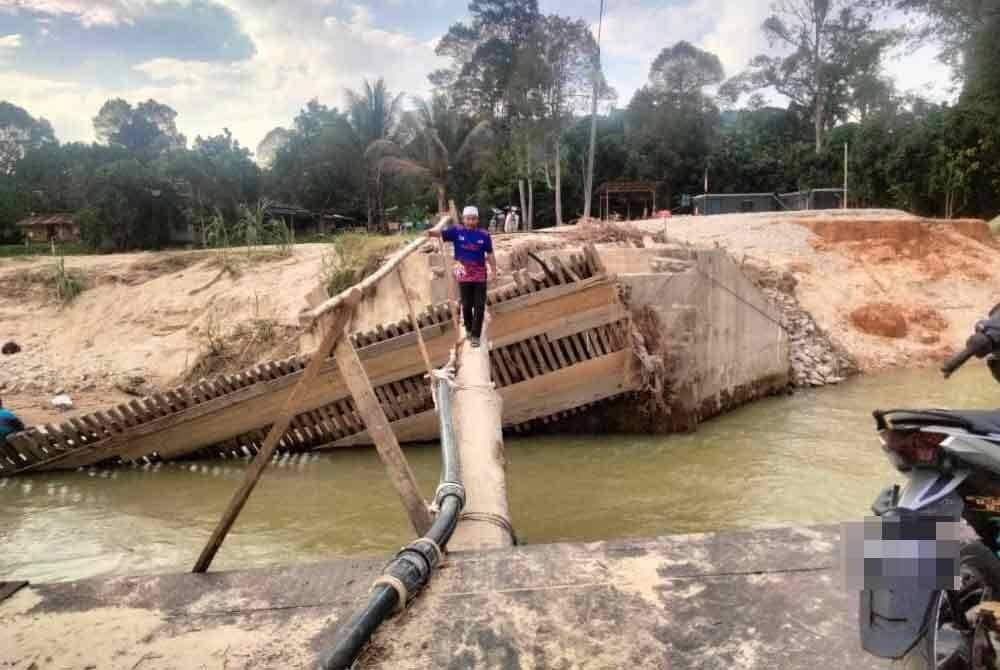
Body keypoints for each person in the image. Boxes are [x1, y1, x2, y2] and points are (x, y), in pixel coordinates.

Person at [427, 206, 498, 348]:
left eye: (473, 218)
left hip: (479, 273)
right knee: (466, 305)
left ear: (477, 220)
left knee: (479, 306)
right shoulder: (456, 231)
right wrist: (429, 232)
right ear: (464, 219)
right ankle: (469, 329)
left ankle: (476, 336)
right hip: (462, 272)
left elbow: (490, 255)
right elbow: (439, 234)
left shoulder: (484, 235)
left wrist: (494, 271)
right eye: (468, 218)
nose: (471, 221)